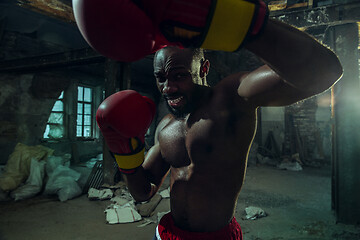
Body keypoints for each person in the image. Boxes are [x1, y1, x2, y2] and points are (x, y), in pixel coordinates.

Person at [93, 3, 343, 240]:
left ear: (203, 68)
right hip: (169, 232)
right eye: (160, 78)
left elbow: (325, 71)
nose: (168, 88)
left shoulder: (231, 98)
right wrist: (122, 148)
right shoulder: (165, 126)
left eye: (179, 75)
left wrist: (241, 22)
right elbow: (142, 192)